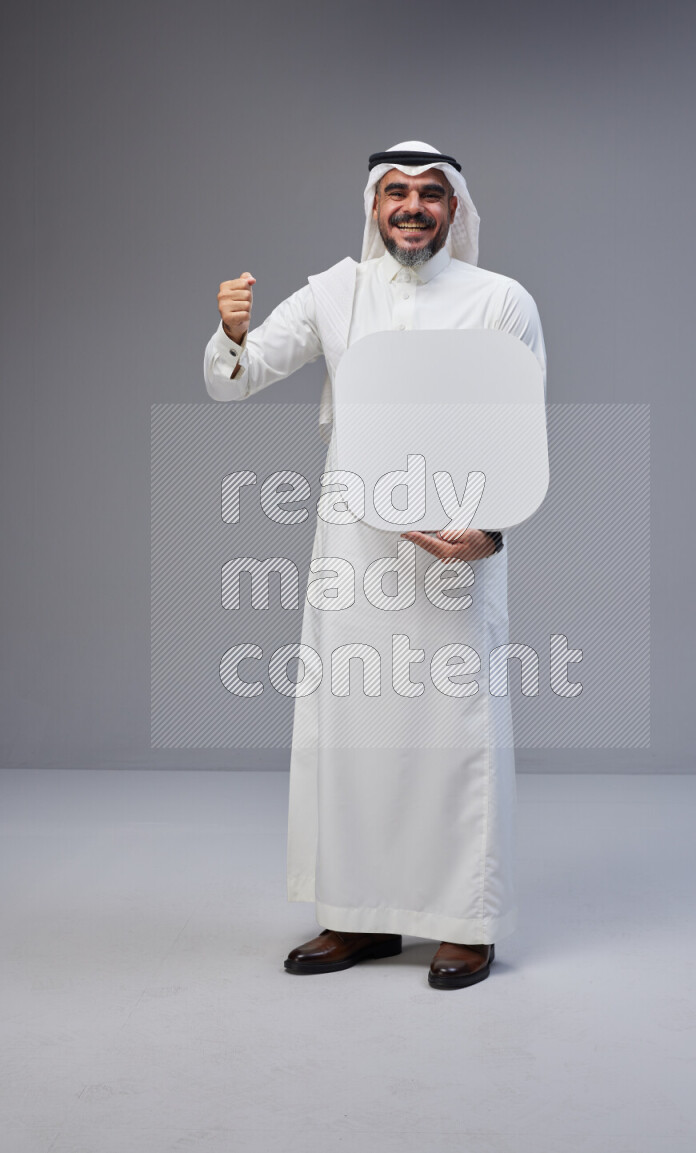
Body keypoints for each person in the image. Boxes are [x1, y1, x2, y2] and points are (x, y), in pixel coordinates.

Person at [204, 141, 546, 989]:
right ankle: (357, 917)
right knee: (353, 729)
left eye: (432, 194)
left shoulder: (500, 301)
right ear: (373, 204)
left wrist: (490, 532)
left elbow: (520, 427)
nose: (413, 207)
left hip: (456, 541)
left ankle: (466, 920)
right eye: (396, 192)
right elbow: (235, 381)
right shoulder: (334, 292)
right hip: (355, 541)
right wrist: (232, 331)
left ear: (456, 208)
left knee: (454, 734)